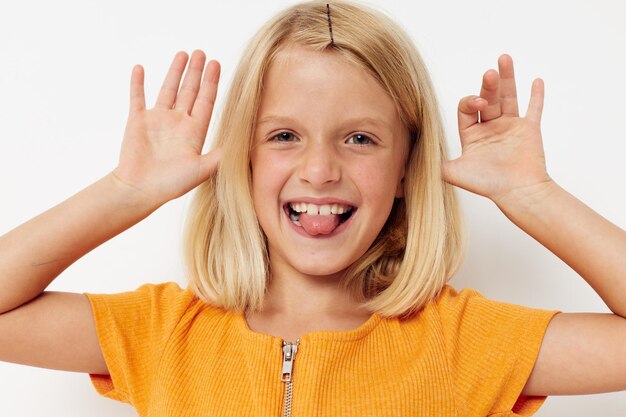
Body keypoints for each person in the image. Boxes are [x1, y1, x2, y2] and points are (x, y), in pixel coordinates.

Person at [0, 1, 625, 416]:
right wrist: (126, 192)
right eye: (283, 136)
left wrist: (532, 196)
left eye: (360, 139)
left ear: (409, 167)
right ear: (242, 160)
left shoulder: (466, 343)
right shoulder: (164, 332)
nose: (320, 169)